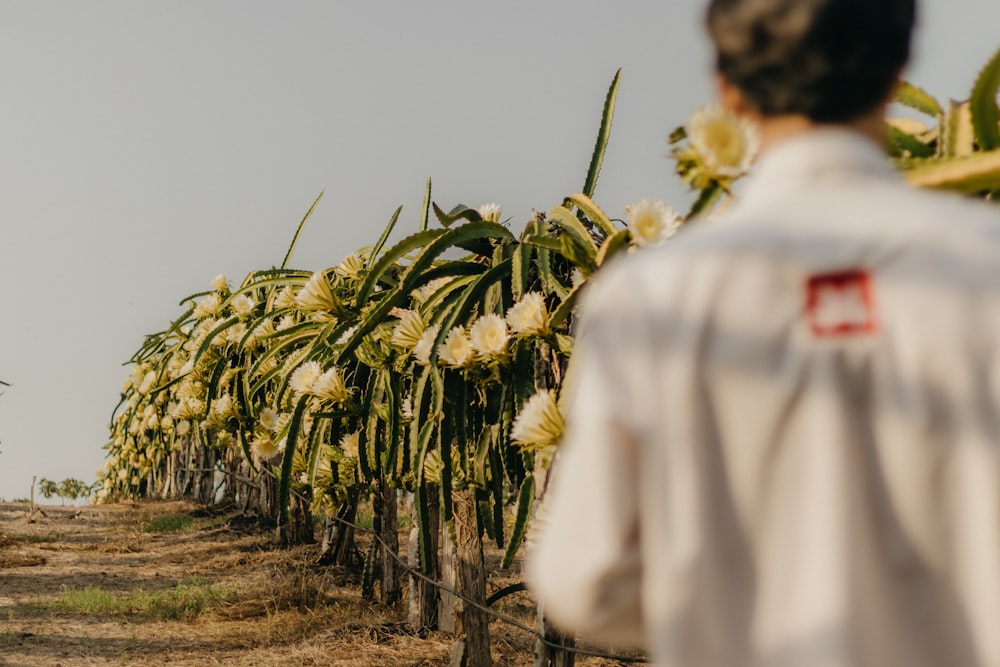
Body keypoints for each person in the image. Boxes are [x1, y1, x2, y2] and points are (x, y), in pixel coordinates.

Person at [525, 0, 1000, 665]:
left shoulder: (650, 301)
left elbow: (584, 578)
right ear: (899, 72)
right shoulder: (986, 269)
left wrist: (723, 608)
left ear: (727, 85)